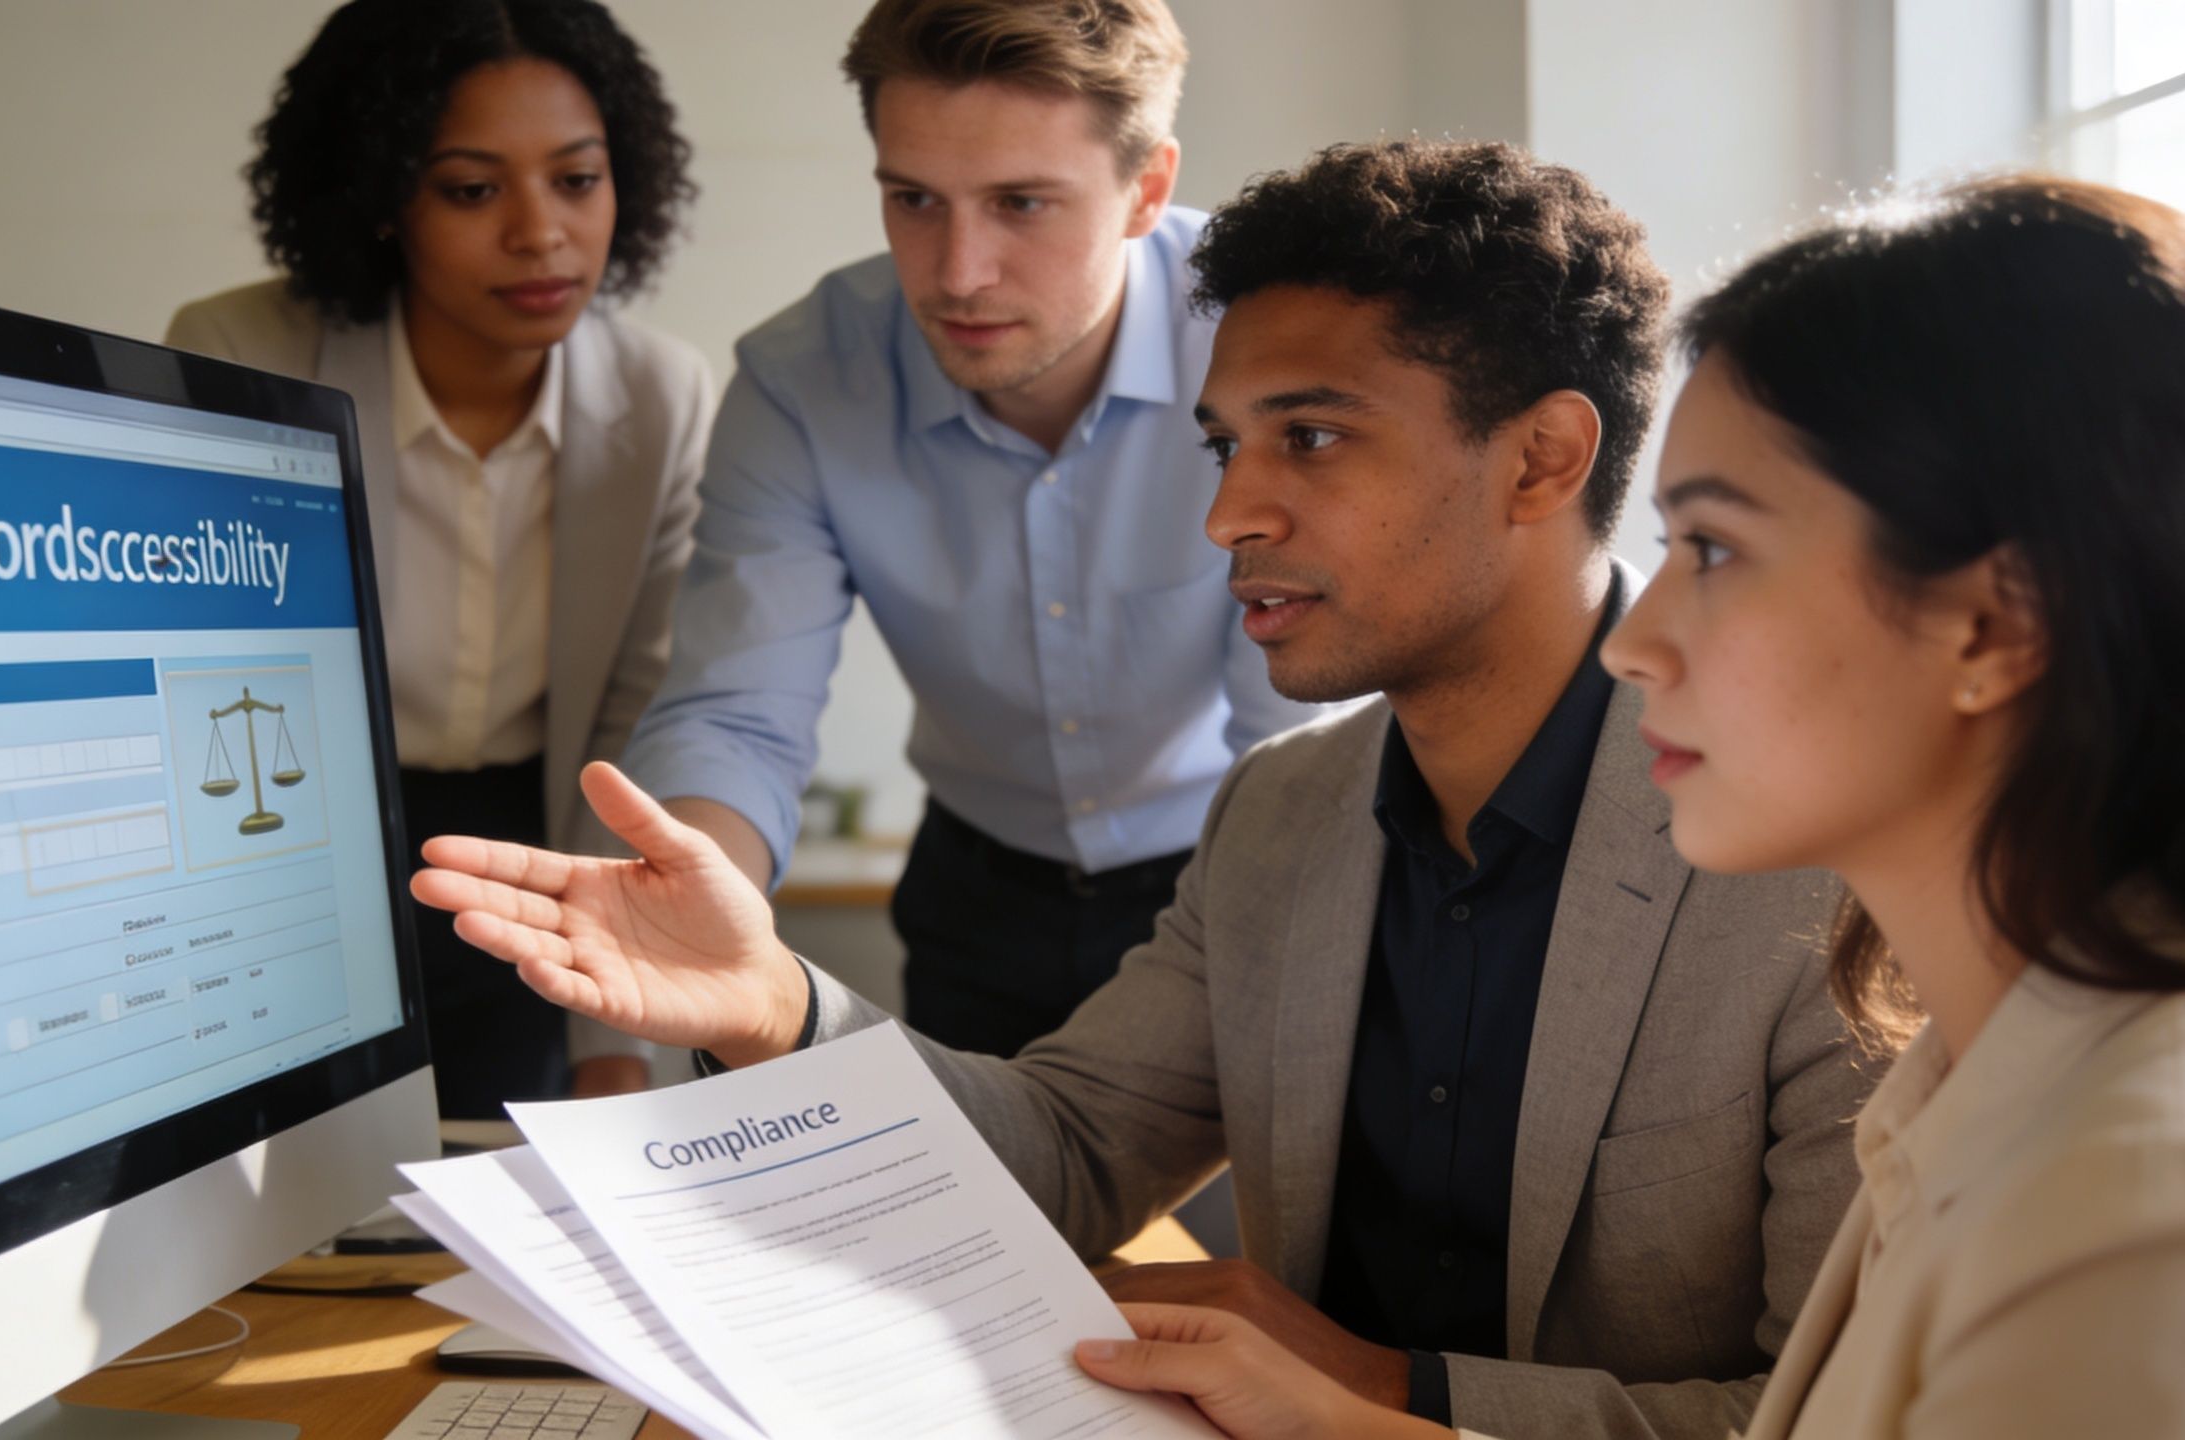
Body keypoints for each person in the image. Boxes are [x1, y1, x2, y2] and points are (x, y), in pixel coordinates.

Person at [411, 140, 1880, 1440]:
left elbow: (1834, 1416)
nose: (1230, 513)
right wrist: (774, 1006)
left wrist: (1382, 1392)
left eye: (1310, 437)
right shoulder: (1284, 814)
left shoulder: (1820, 866)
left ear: (1543, 458)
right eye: (1226, 446)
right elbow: (1065, 1154)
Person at [1075, 177, 2185, 1437]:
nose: (1637, 638)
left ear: (1994, 623)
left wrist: (1360, 1405)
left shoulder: (2169, 1217)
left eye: (1710, 549)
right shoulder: (1986, 1067)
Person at [613, 0, 1318, 1057]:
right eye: (914, 200)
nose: (956, 273)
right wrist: (695, 906)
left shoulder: (1276, 345)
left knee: (1249, 1225)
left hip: (1243, 857)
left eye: (1022, 202)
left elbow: (1301, 731)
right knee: (984, 1213)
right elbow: (736, 716)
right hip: (976, 897)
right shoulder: (804, 379)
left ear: (1147, 190)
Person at [166, 0, 711, 1112]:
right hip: (296, 844)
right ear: (380, 201)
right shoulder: (241, 354)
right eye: (472, 189)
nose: (541, 233)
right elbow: (211, 696)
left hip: (536, 857)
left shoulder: (660, 398)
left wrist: (613, 1038)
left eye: (577, 178)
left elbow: (633, 716)